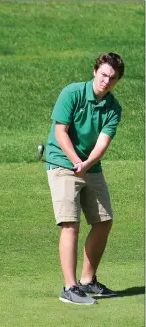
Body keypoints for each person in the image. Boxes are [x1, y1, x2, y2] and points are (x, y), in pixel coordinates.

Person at [45, 52, 125, 305]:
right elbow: (60, 132)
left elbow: (103, 142)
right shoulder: (72, 93)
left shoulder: (113, 108)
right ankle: (69, 288)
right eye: (103, 75)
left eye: (112, 78)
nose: (106, 81)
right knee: (70, 222)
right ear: (95, 72)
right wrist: (75, 161)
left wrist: (87, 163)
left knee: (104, 221)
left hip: (90, 165)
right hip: (61, 162)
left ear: (117, 80)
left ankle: (87, 282)